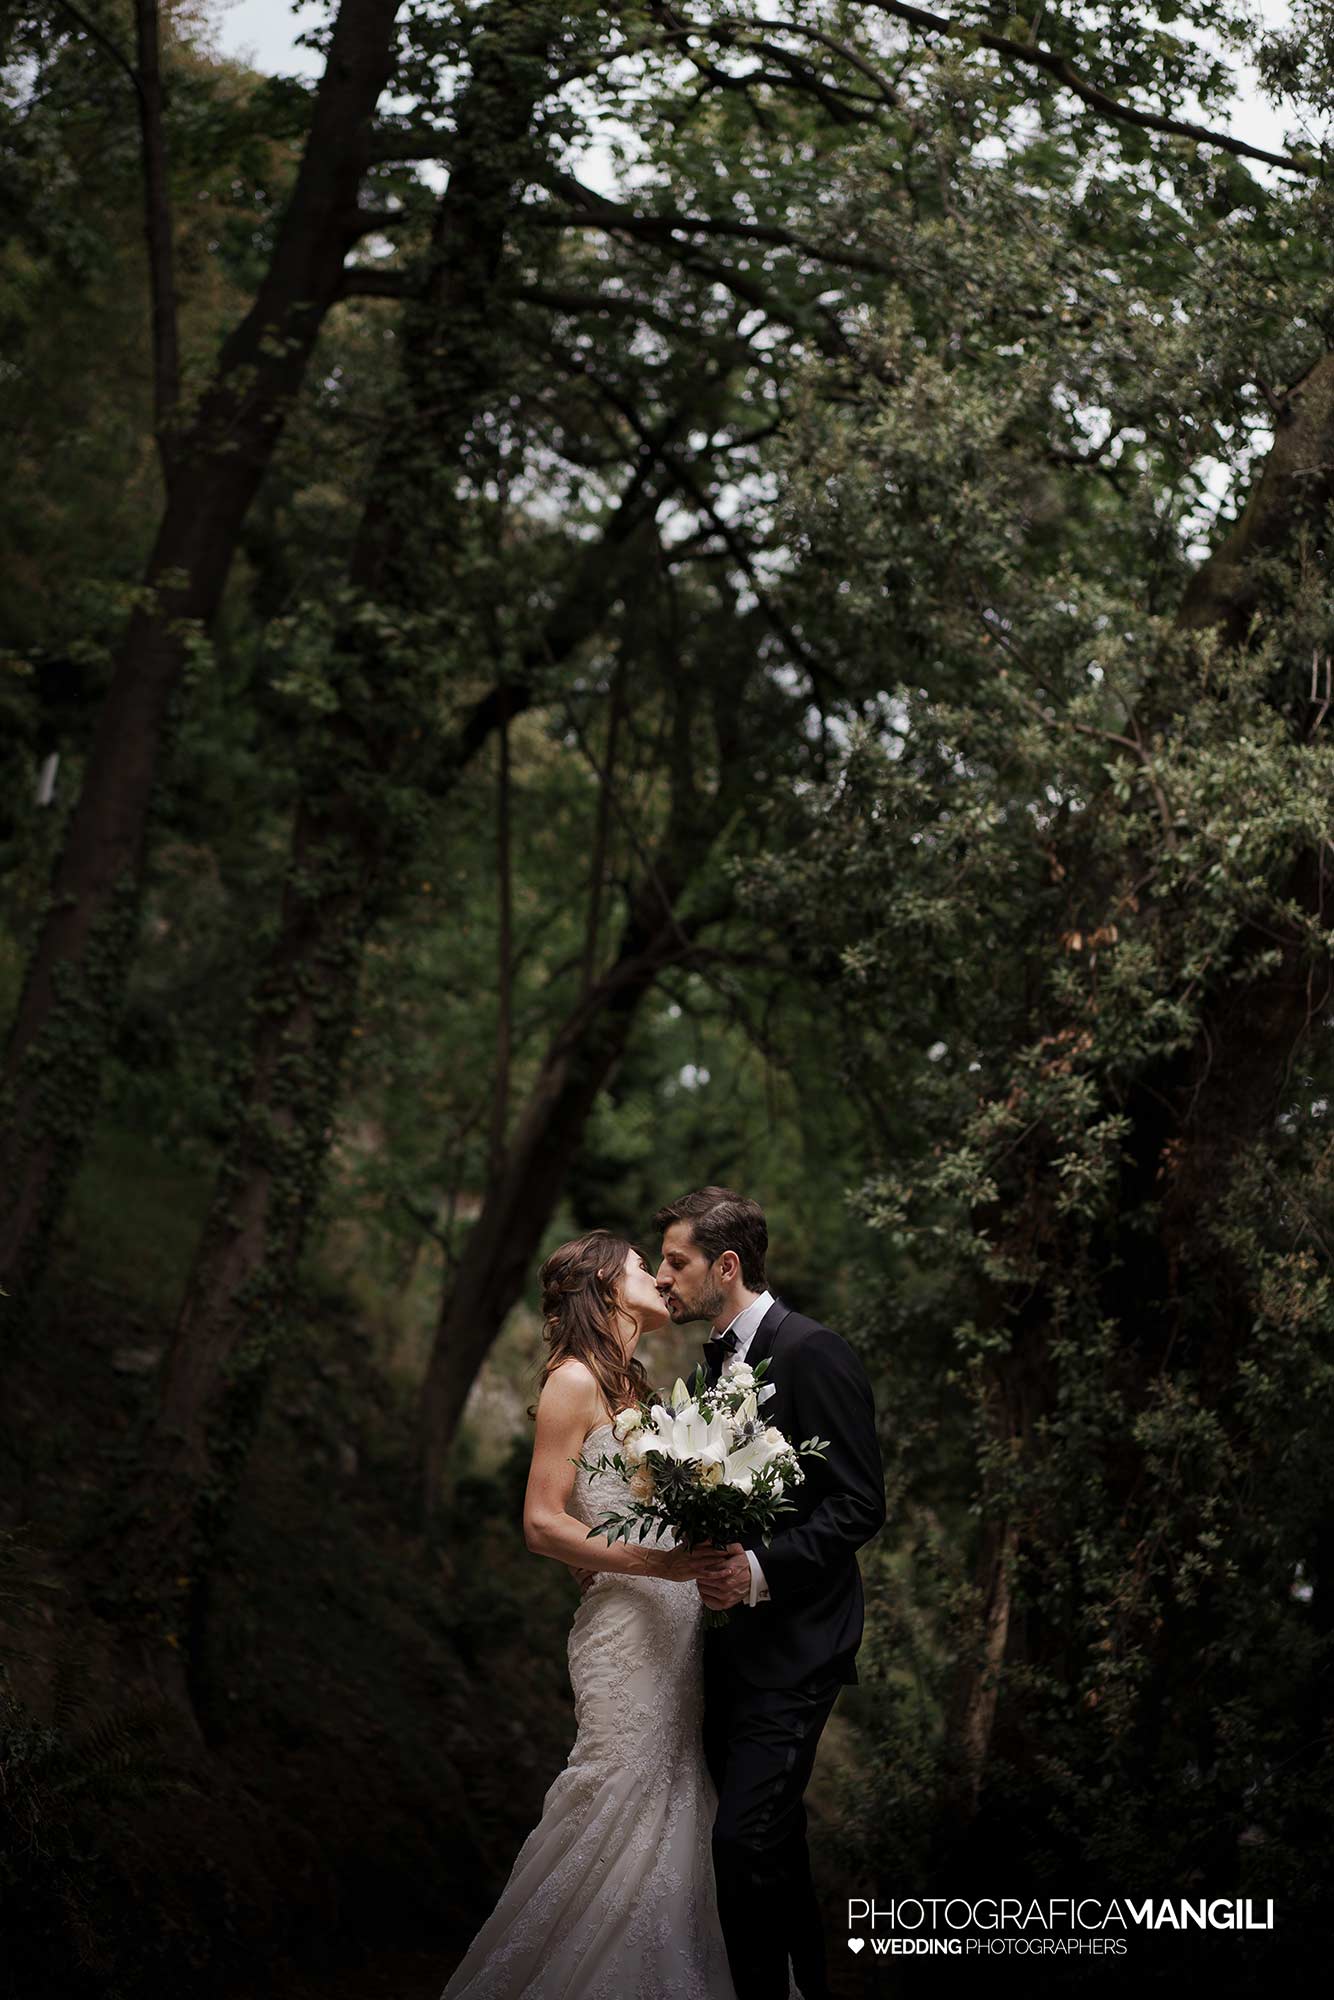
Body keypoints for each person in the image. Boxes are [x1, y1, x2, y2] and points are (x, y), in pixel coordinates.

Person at [438, 1229, 738, 2000]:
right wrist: (660, 1563)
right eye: (646, 1266)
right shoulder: (572, 1379)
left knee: (672, 1799)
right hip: (625, 1628)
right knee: (613, 1788)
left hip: (675, 1630)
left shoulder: (636, 1389)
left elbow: (624, 1513)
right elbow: (542, 1522)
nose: (661, 1279)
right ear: (606, 1285)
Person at [653, 1187, 886, 2000]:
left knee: (741, 1843)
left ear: (726, 1265)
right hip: (729, 1650)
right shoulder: (709, 1365)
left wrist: (757, 1572)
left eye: (675, 1262)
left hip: (801, 1645)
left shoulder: (815, 1351)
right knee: (775, 1844)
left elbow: (860, 1503)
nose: (661, 1279)